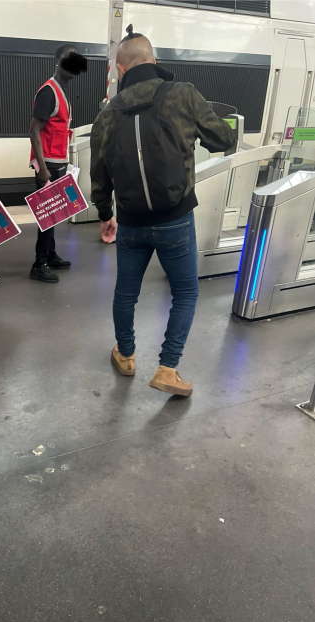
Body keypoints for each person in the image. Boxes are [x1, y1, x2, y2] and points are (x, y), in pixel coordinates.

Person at [90, 26, 235, 396]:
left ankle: (125, 356)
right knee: (185, 293)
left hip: (131, 223)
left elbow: (99, 173)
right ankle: (168, 369)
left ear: (120, 70)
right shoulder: (182, 94)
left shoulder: (107, 114)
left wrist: (106, 214)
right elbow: (224, 139)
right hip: (175, 219)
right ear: (154, 61)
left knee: (126, 293)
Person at [28, 44, 77, 283]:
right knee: (46, 215)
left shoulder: (61, 90)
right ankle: (39, 263)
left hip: (57, 161)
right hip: (46, 163)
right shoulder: (48, 92)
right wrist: (43, 168)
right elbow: (34, 130)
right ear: (57, 61)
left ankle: (50, 253)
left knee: (54, 213)